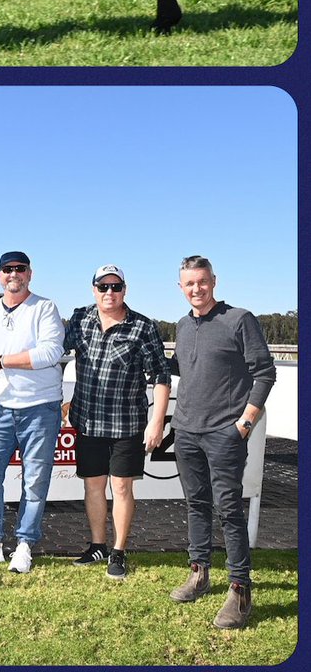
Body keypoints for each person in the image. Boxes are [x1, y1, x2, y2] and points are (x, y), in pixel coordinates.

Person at [168, 255, 276, 628]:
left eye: (202, 281)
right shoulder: (183, 325)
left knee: (229, 510)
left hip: (224, 435)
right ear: (180, 287)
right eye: (189, 283)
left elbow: (265, 373)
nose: (196, 289)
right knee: (196, 505)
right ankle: (199, 573)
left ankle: (240, 589)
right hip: (186, 431)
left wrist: (244, 424)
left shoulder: (239, 320)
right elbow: (184, 370)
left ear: (213, 281)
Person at [62, 265, 171, 581]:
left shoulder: (143, 327)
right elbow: (51, 352)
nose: (109, 292)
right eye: (103, 287)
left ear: (125, 289)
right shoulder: (80, 319)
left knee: (121, 487)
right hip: (88, 422)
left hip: (127, 424)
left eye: (116, 286)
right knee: (93, 486)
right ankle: (97, 546)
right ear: (93, 289)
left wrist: (157, 421)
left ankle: (119, 551)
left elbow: (161, 375)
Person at [0, 250, 65, 574]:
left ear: (29, 274)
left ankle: (24, 545)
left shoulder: (45, 308)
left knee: (34, 483)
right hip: (0, 409)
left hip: (40, 409)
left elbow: (51, 352)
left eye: (20, 268)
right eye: (7, 269)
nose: (13, 274)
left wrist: (3, 361)